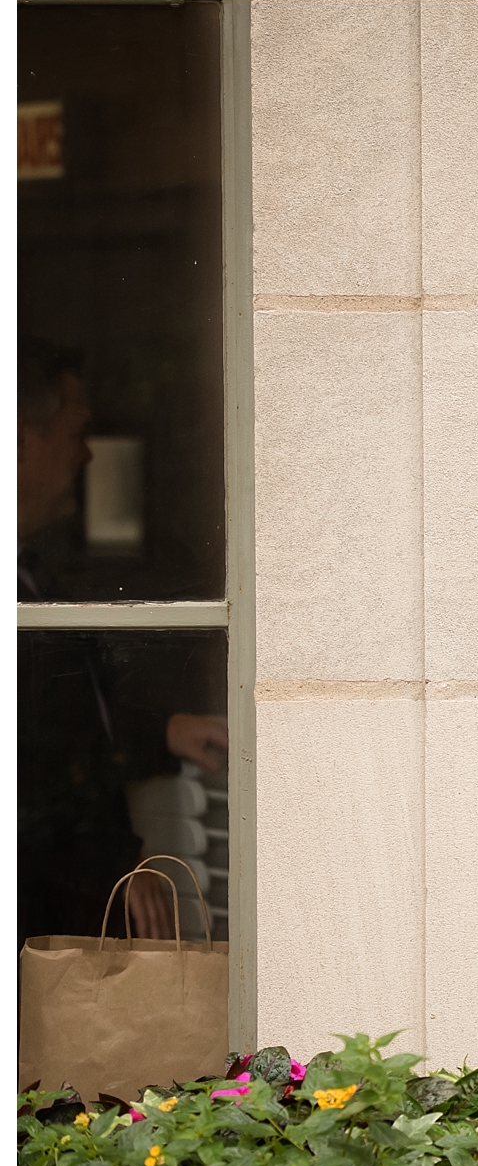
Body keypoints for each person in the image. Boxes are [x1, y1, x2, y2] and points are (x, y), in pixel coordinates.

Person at [18, 334, 228, 940]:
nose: (87, 456)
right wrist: (110, 868)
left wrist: (164, 730)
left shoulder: (33, 579)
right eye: (75, 431)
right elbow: (29, 775)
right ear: (21, 440)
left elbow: (69, 728)